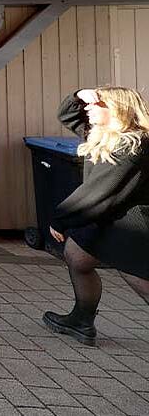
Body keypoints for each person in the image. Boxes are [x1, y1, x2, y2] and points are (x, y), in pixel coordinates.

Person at [43, 87, 149, 346]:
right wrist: (82, 94)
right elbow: (67, 114)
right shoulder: (103, 135)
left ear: (117, 110)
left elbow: (96, 194)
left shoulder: (131, 146)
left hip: (133, 222)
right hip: (109, 217)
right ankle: (81, 320)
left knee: (139, 278)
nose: (87, 110)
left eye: (95, 105)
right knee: (77, 255)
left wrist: (61, 219)